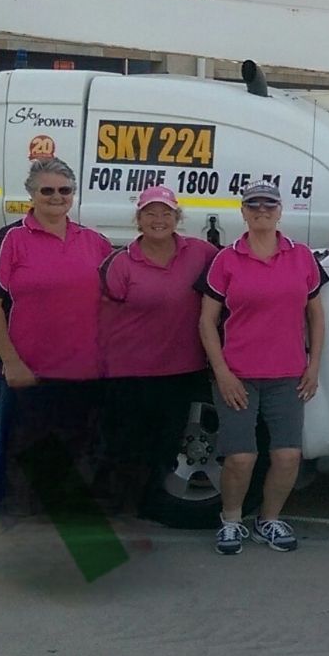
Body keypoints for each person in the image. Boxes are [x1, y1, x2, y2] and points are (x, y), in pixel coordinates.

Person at [0, 157, 113, 518]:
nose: (56, 197)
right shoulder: (10, 240)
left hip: (82, 372)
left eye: (64, 190)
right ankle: (17, 530)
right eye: (47, 190)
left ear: (73, 195)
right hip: (25, 373)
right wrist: (11, 361)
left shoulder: (95, 243)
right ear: (31, 195)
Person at [198, 181, 327, 556]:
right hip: (238, 374)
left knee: (288, 456)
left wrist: (313, 365)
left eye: (268, 205)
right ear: (243, 212)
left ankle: (268, 520)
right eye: (253, 206)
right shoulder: (226, 259)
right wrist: (222, 372)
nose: (261, 211)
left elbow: (315, 315)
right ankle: (231, 521)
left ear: (280, 211)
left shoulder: (301, 257)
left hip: (287, 375)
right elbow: (207, 322)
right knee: (241, 457)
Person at [97, 185, 219, 516]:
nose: (158, 219)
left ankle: (151, 506)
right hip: (129, 371)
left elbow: (231, 275)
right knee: (126, 444)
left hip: (182, 370)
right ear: (138, 219)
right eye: (150, 212)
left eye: (166, 212)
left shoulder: (200, 252)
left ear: (177, 218)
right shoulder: (121, 263)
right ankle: (117, 508)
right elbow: (103, 317)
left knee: (166, 445)